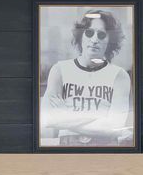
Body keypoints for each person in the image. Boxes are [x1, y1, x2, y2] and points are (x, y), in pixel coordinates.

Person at [41, 8, 134, 145]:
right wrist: (99, 119)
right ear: (81, 36)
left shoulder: (120, 76)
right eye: (89, 33)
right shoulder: (59, 70)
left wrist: (66, 116)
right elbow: (48, 118)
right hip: (67, 149)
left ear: (110, 41)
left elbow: (114, 126)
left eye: (102, 35)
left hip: (106, 149)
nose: (95, 39)